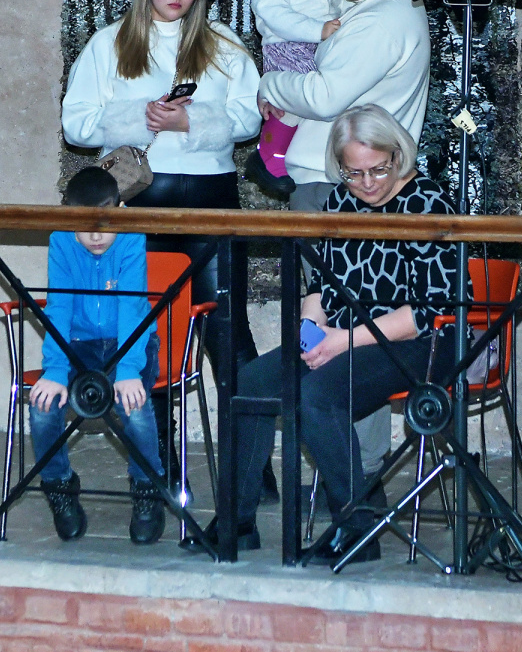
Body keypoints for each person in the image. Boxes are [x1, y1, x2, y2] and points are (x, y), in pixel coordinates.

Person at [185, 105, 457, 562]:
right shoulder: (341, 203)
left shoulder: (429, 202)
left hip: (421, 343)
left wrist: (340, 343)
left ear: (398, 154)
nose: (367, 183)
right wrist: (309, 333)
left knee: (318, 396)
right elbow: (323, 287)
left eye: (378, 169)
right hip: (346, 337)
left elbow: (429, 311)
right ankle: (238, 521)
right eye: (354, 173)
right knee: (252, 382)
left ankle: (357, 529)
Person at [61, 0, 264, 495]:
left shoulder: (222, 42)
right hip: (142, 206)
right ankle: (158, 464)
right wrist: (140, 118)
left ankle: (253, 467)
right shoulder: (110, 43)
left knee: (229, 334)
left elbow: (250, 118)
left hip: (213, 203)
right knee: (147, 335)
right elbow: (75, 123)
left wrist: (191, 122)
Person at [258, 0, 432, 494]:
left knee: (348, 340)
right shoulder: (370, 6)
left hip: (342, 186)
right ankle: (351, 481)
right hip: (333, 187)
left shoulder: (384, 16)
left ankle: (356, 486)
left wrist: (271, 82)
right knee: (329, 331)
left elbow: (326, 95)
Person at [29, 167, 166, 545]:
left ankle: (147, 488)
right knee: (42, 407)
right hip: (79, 343)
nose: (95, 237)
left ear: (120, 210)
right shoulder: (61, 242)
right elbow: (59, 307)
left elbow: (132, 308)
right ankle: (59, 486)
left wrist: (128, 369)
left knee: (133, 405)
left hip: (130, 341)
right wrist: (56, 369)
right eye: (84, 226)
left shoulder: (131, 238)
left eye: (103, 225)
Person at [245, 0, 343, 198]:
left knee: (318, 99)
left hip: (315, 47)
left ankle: (288, 155)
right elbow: (276, 16)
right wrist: (319, 29)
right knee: (295, 99)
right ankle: (267, 154)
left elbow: (337, 7)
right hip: (284, 47)